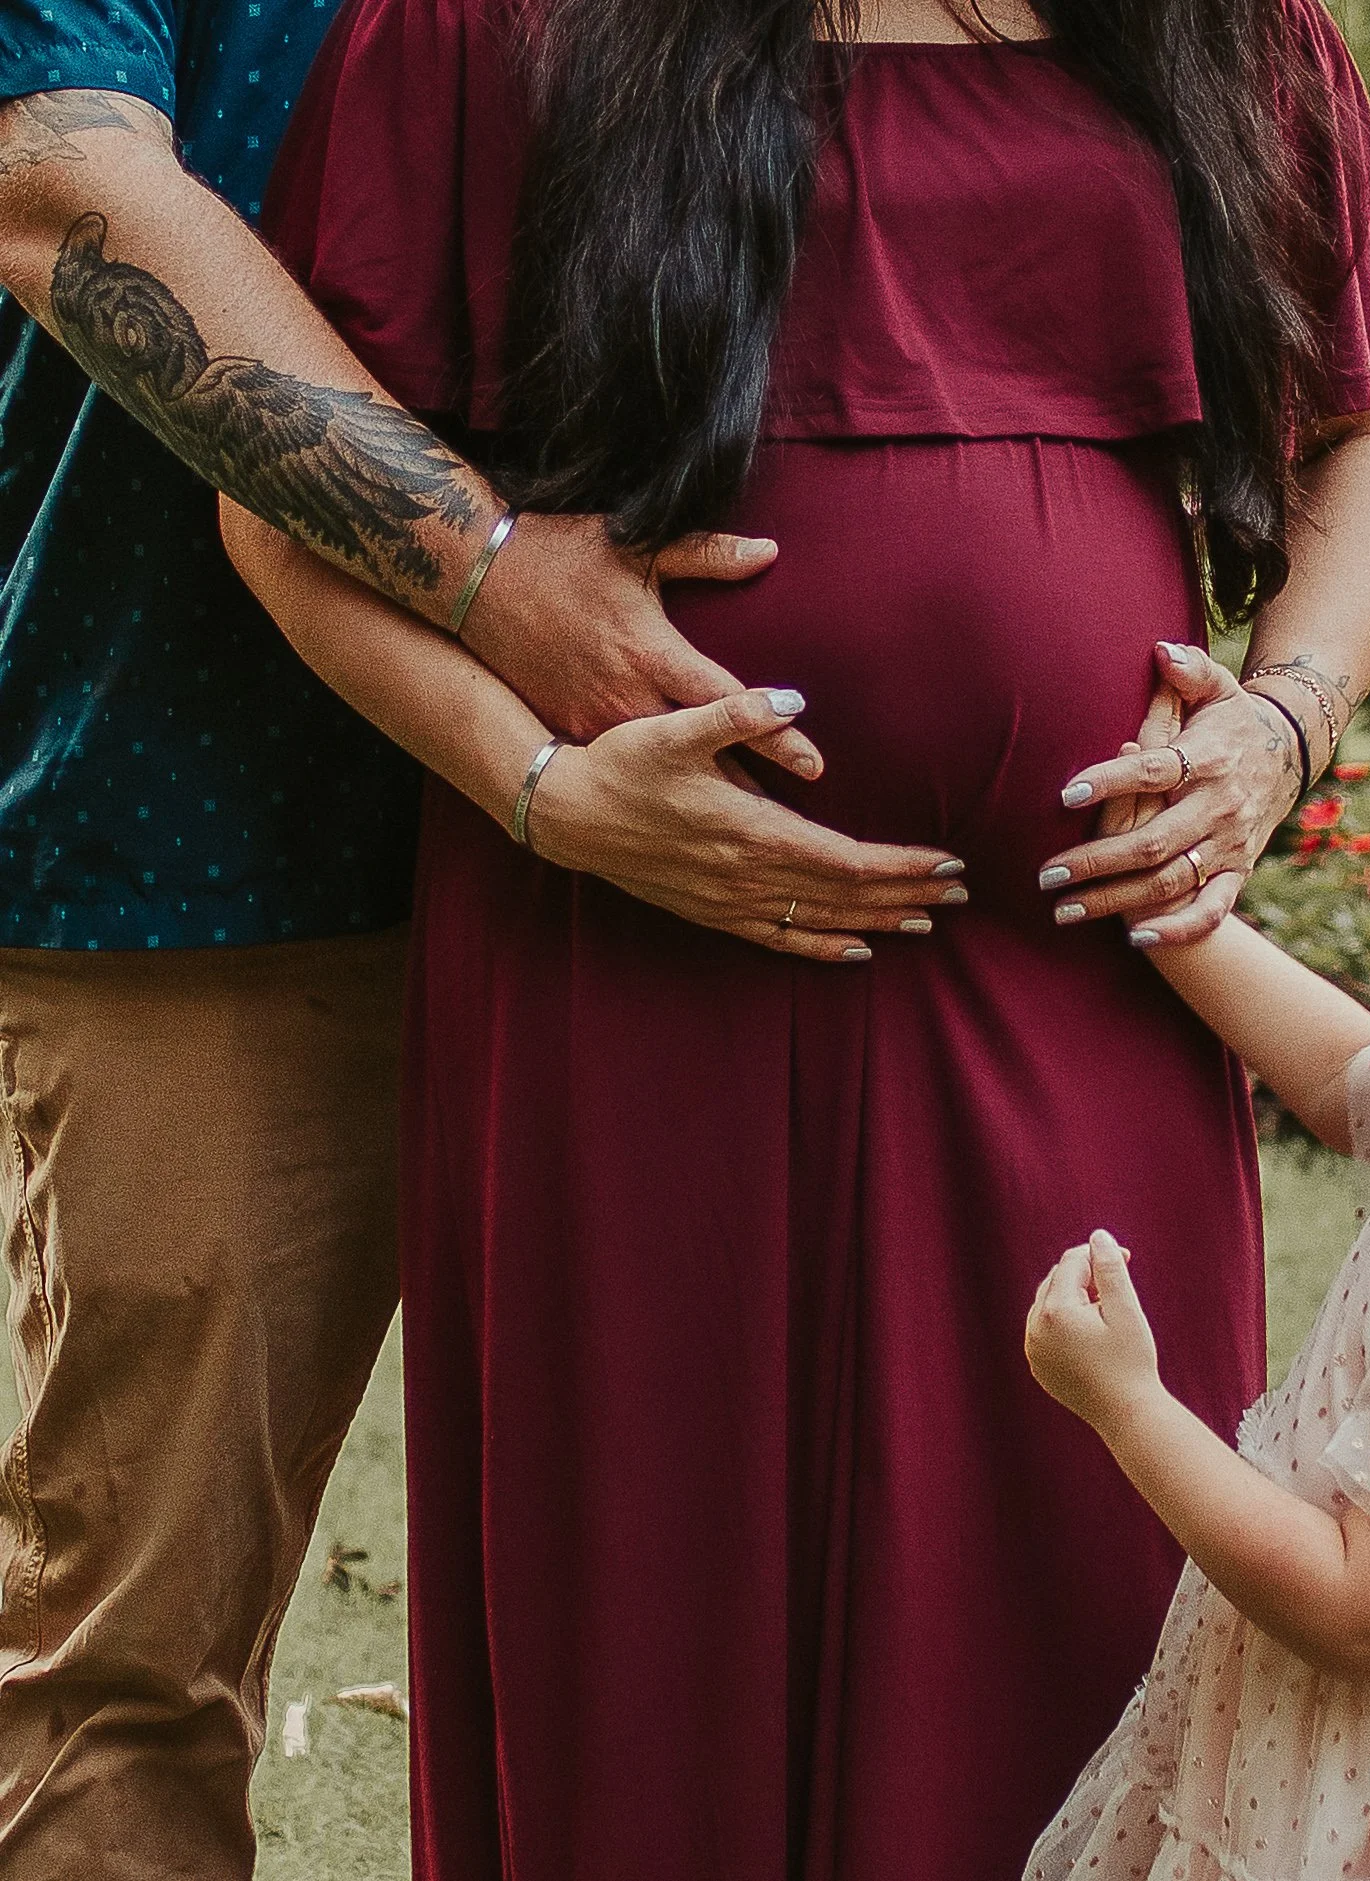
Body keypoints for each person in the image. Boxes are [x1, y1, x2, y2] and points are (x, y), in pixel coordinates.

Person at [226, 0, 1370, 1871]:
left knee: (1088, 1598)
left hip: (1091, 973)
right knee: (649, 1649)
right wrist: (544, 792)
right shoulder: (483, 27)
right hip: (625, 965)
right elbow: (283, 498)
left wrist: (1278, 723)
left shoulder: (1224, 32)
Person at [0, 5, 953, 1877]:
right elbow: (58, 190)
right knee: (138, 1672)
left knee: (725, 1626)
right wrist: (499, 584)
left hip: (701, 865)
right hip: (220, 843)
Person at [1024, 687, 1370, 1880]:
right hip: (1283, 1737)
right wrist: (1165, 893)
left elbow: (1358, 1608)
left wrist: (1126, 1404)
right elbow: (1337, 1075)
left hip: (1364, 1800)